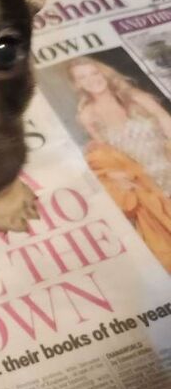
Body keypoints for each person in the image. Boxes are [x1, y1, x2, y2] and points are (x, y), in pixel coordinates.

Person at [67, 57, 171, 270]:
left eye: (94, 73)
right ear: (78, 84)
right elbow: (106, 156)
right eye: (83, 77)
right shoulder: (87, 115)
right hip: (147, 186)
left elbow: (165, 121)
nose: (92, 80)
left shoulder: (134, 97)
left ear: (104, 72)